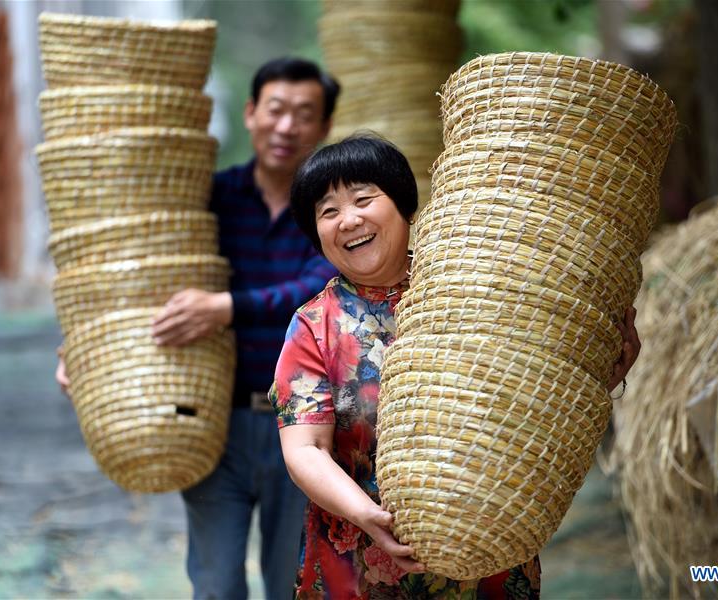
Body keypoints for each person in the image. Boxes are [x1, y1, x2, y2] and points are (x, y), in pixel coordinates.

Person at [269, 135, 641, 598]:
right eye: (328, 212)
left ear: (405, 207)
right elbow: (305, 449)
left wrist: (600, 376)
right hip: (361, 567)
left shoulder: (481, 289)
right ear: (316, 234)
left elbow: (536, 401)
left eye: (364, 199)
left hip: (492, 548)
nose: (349, 220)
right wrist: (368, 515)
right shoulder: (312, 326)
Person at [57, 57, 341, 600]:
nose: (286, 127)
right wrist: (88, 346)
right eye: (276, 109)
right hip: (211, 421)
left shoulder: (331, 210)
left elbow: (317, 291)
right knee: (215, 585)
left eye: (304, 114)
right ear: (251, 113)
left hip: (310, 426)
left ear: (325, 127)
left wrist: (224, 306)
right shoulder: (207, 200)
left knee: (296, 585)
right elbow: (144, 274)